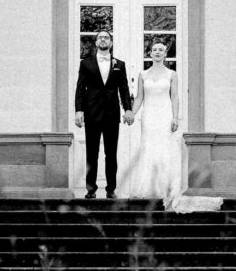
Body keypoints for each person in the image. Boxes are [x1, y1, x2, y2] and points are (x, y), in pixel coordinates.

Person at [122, 42, 223, 213]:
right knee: (149, 148)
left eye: (161, 50)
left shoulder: (171, 74)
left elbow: (175, 97)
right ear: (150, 53)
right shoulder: (143, 74)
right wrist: (131, 113)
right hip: (149, 117)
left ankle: (166, 187)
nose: (157, 52)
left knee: (165, 148)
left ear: (165, 54)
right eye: (154, 50)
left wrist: (175, 116)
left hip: (165, 115)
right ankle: (149, 187)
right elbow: (139, 97)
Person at [73, 29, 133, 199]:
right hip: (92, 113)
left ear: (111, 43)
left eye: (107, 38)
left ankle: (111, 189)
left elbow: (124, 88)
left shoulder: (119, 64)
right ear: (96, 42)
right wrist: (79, 110)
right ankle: (90, 189)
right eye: (100, 38)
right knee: (92, 153)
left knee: (111, 153)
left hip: (112, 114)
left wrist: (128, 109)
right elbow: (80, 88)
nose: (104, 40)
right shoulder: (86, 63)